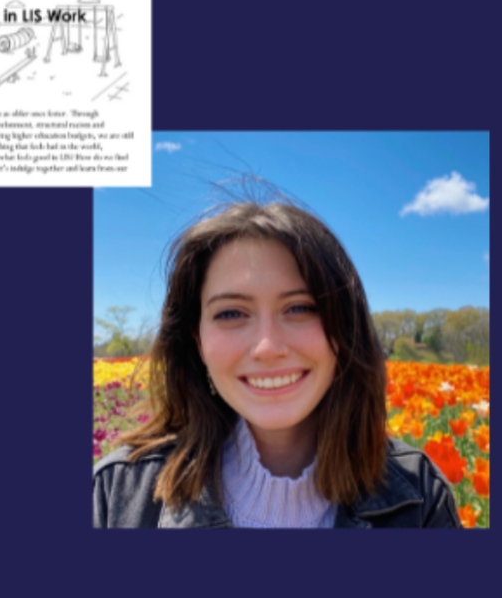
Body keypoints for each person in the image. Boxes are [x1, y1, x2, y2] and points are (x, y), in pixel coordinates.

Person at [93, 201, 458, 527]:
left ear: (345, 328)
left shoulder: (420, 499)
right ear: (197, 341)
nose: (267, 347)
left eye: (300, 308)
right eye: (231, 313)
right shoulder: (116, 496)